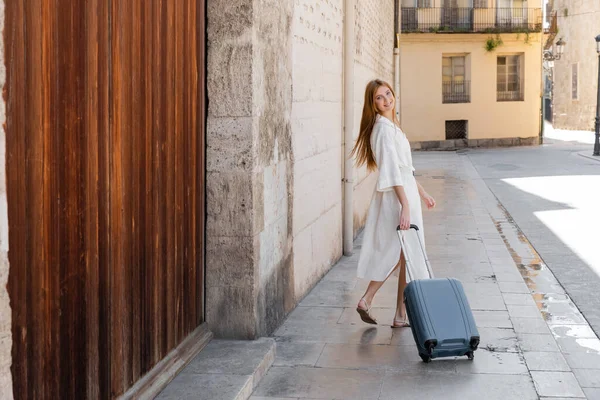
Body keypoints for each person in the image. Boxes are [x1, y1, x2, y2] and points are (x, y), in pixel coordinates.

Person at [351, 79, 436, 328]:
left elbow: (404, 169)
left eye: (388, 94)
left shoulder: (391, 126)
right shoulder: (384, 130)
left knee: (404, 255)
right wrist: (406, 204)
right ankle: (370, 299)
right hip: (397, 198)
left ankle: (398, 314)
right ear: (372, 103)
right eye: (379, 97)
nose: (386, 99)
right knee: (402, 252)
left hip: (405, 193)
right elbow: (391, 170)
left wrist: (421, 192)